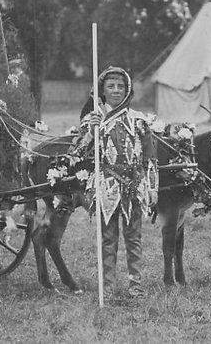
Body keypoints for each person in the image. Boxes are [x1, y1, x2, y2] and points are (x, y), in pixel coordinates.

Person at [76, 66, 158, 299]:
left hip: (134, 186)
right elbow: (80, 153)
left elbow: (150, 159)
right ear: (102, 90)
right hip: (108, 186)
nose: (115, 90)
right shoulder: (94, 120)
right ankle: (108, 288)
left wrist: (152, 188)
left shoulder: (139, 121)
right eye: (110, 86)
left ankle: (136, 286)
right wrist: (91, 132)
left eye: (120, 86)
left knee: (134, 238)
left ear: (127, 89)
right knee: (108, 239)